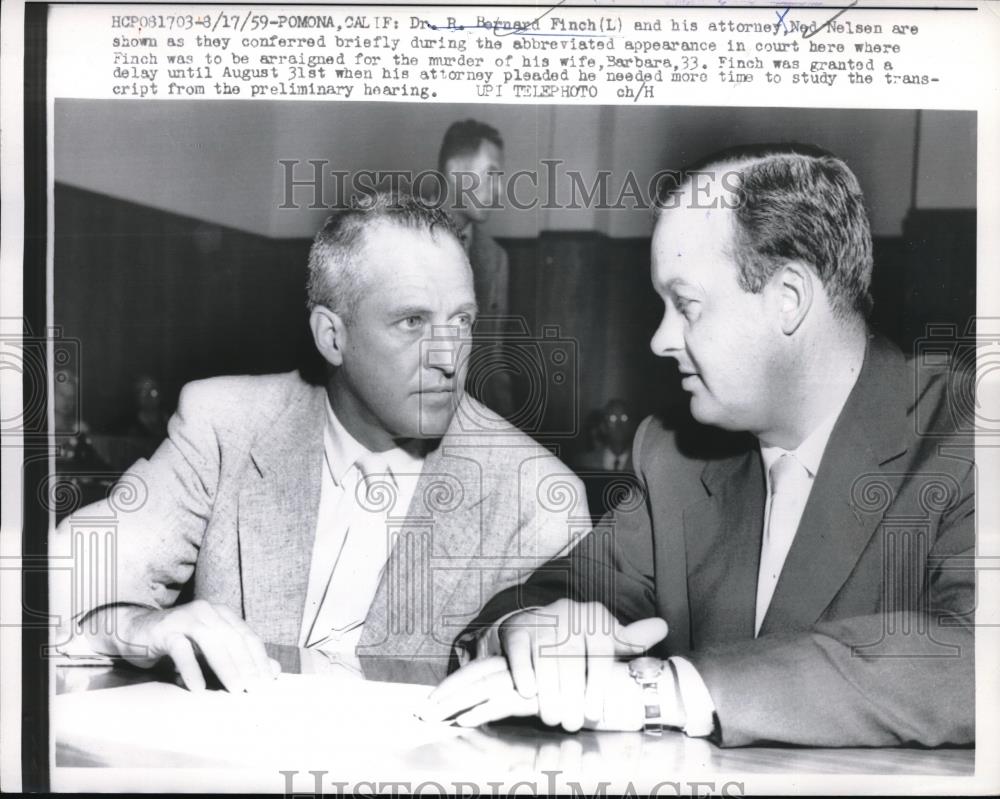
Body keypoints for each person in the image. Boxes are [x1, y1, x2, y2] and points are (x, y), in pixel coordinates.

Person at [423, 144, 975, 748]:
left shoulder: (969, 433)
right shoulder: (676, 458)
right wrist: (527, 629)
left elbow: (976, 659)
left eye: (685, 305)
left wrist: (667, 690)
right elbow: (560, 592)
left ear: (788, 299)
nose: (660, 340)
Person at [51, 192, 586, 691]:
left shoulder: (534, 493)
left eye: (462, 320)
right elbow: (48, 587)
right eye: (412, 322)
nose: (449, 358)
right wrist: (137, 626)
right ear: (333, 336)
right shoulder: (224, 426)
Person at [436, 119, 514, 419]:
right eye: (491, 174)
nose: (500, 191)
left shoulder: (496, 259)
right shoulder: (398, 238)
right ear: (456, 173)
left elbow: (494, 361)